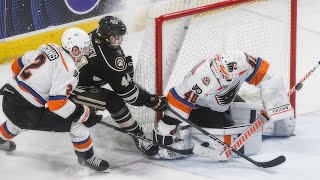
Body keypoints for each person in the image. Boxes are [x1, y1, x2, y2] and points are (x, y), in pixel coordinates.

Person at [0, 27, 109, 172]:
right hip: (26, 113)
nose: (86, 53)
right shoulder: (70, 70)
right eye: (84, 49)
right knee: (76, 124)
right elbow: (56, 104)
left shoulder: (49, 47)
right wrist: (85, 113)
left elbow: (16, 65)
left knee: (18, 122)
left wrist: (23, 88)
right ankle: (87, 157)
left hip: (8, 99)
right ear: (75, 50)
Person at [70, 16, 167, 156]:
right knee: (114, 101)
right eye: (115, 37)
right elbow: (130, 95)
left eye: (120, 37)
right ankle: (137, 135)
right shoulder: (108, 60)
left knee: (119, 84)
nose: (119, 41)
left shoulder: (94, 35)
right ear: (105, 35)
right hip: (71, 89)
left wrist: (122, 75)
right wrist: (151, 100)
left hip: (77, 77)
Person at [153, 50, 272, 159]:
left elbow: (262, 73)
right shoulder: (200, 79)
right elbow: (178, 102)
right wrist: (166, 129)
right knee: (229, 130)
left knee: (243, 112)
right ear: (216, 69)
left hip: (224, 99)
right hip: (202, 108)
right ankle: (197, 131)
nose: (227, 81)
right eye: (224, 77)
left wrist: (275, 98)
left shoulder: (242, 60)